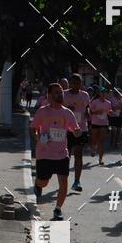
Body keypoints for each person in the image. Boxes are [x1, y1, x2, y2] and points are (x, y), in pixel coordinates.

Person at [30, 82, 80, 221]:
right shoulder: (42, 111)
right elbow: (33, 127)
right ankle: (37, 184)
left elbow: (74, 128)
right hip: (45, 153)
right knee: (43, 183)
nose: (60, 94)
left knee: (63, 181)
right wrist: (38, 137)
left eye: (61, 92)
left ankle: (58, 209)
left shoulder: (67, 112)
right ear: (50, 95)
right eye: (57, 92)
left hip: (61, 153)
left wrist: (77, 132)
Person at [63, 73, 91, 192]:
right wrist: (68, 109)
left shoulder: (85, 95)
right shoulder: (64, 94)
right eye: (73, 82)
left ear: (81, 83)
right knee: (66, 156)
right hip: (66, 129)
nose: (76, 85)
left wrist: (88, 112)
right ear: (70, 83)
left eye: (78, 82)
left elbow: (87, 107)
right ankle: (63, 180)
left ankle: (77, 181)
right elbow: (58, 108)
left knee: (78, 155)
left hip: (81, 128)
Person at [89, 87, 112, 165]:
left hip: (104, 123)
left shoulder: (108, 103)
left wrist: (110, 112)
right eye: (102, 92)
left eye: (104, 92)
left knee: (101, 141)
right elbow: (90, 112)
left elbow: (109, 112)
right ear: (99, 93)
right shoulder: (95, 102)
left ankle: (100, 159)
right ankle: (94, 148)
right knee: (94, 139)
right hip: (95, 122)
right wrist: (96, 112)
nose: (103, 94)